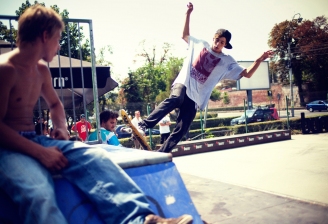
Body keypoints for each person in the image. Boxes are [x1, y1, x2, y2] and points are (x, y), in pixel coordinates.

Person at [0, 5, 192, 224]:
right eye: (58, 39)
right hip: (7, 149)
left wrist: (61, 128)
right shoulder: (6, 70)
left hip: (34, 139)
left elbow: (55, 105)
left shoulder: (41, 70)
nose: (59, 45)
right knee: (39, 192)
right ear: (45, 36)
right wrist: (41, 153)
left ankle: (140, 220)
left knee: (96, 157)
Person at [138, 2, 274, 153]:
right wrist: (188, 14)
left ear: (225, 44)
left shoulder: (226, 61)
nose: (218, 44)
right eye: (217, 39)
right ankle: (144, 125)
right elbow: (184, 35)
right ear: (213, 38)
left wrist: (260, 59)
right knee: (176, 99)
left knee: (183, 126)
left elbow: (247, 73)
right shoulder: (200, 44)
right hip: (184, 83)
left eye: (222, 42)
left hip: (196, 96)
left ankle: (162, 153)